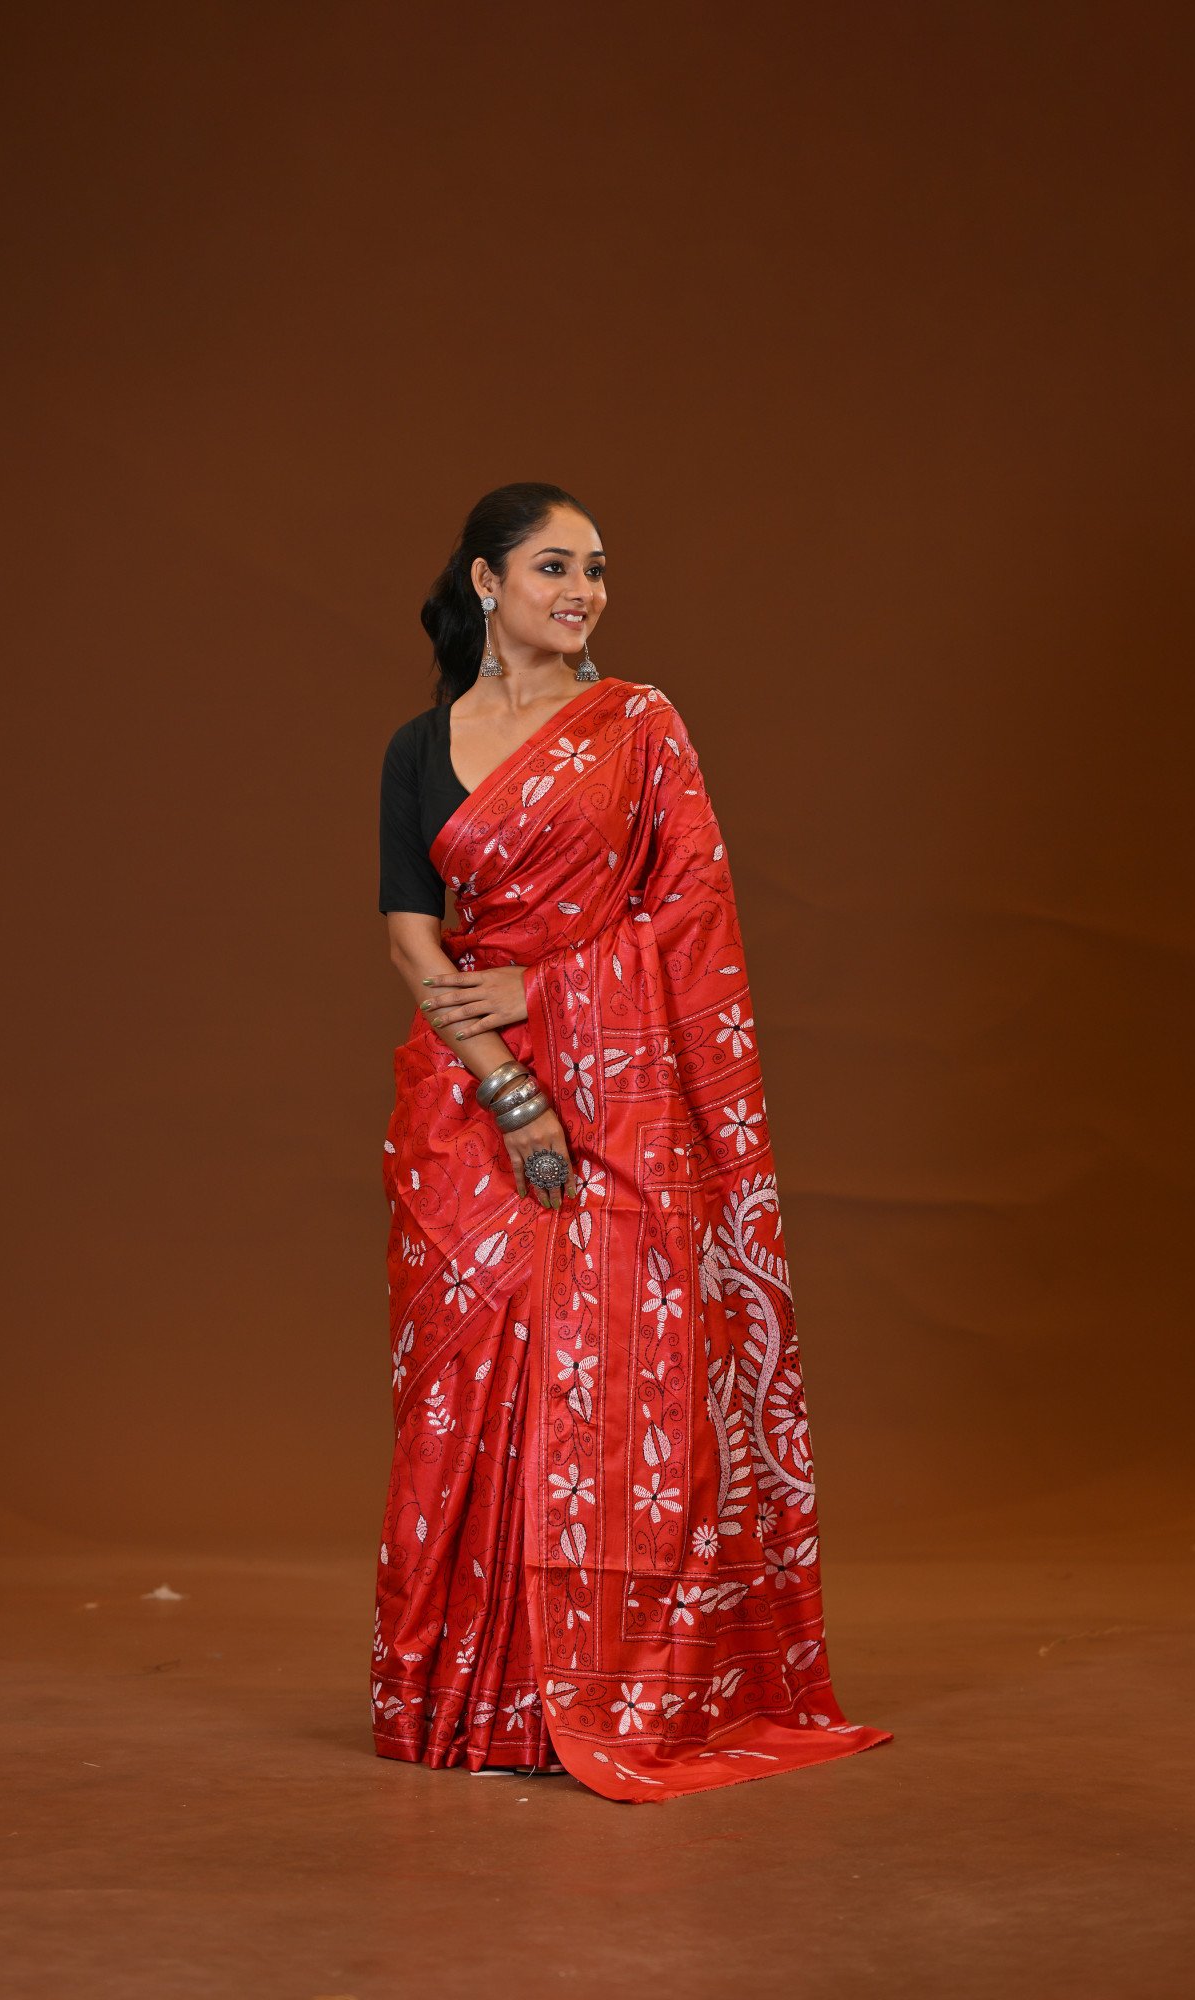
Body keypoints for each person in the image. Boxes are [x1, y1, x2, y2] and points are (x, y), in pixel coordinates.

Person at [374, 482, 888, 1799]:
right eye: (554, 566)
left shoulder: (639, 729)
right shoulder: (419, 746)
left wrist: (544, 992)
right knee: (467, 1389)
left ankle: (618, 1694)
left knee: (625, 1389)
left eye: (595, 570)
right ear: (485, 581)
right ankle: (478, 1711)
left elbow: (693, 917)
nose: (582, 591)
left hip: (626, 1099)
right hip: (465, 1097)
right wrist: (508, 1086)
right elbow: (412, 933)